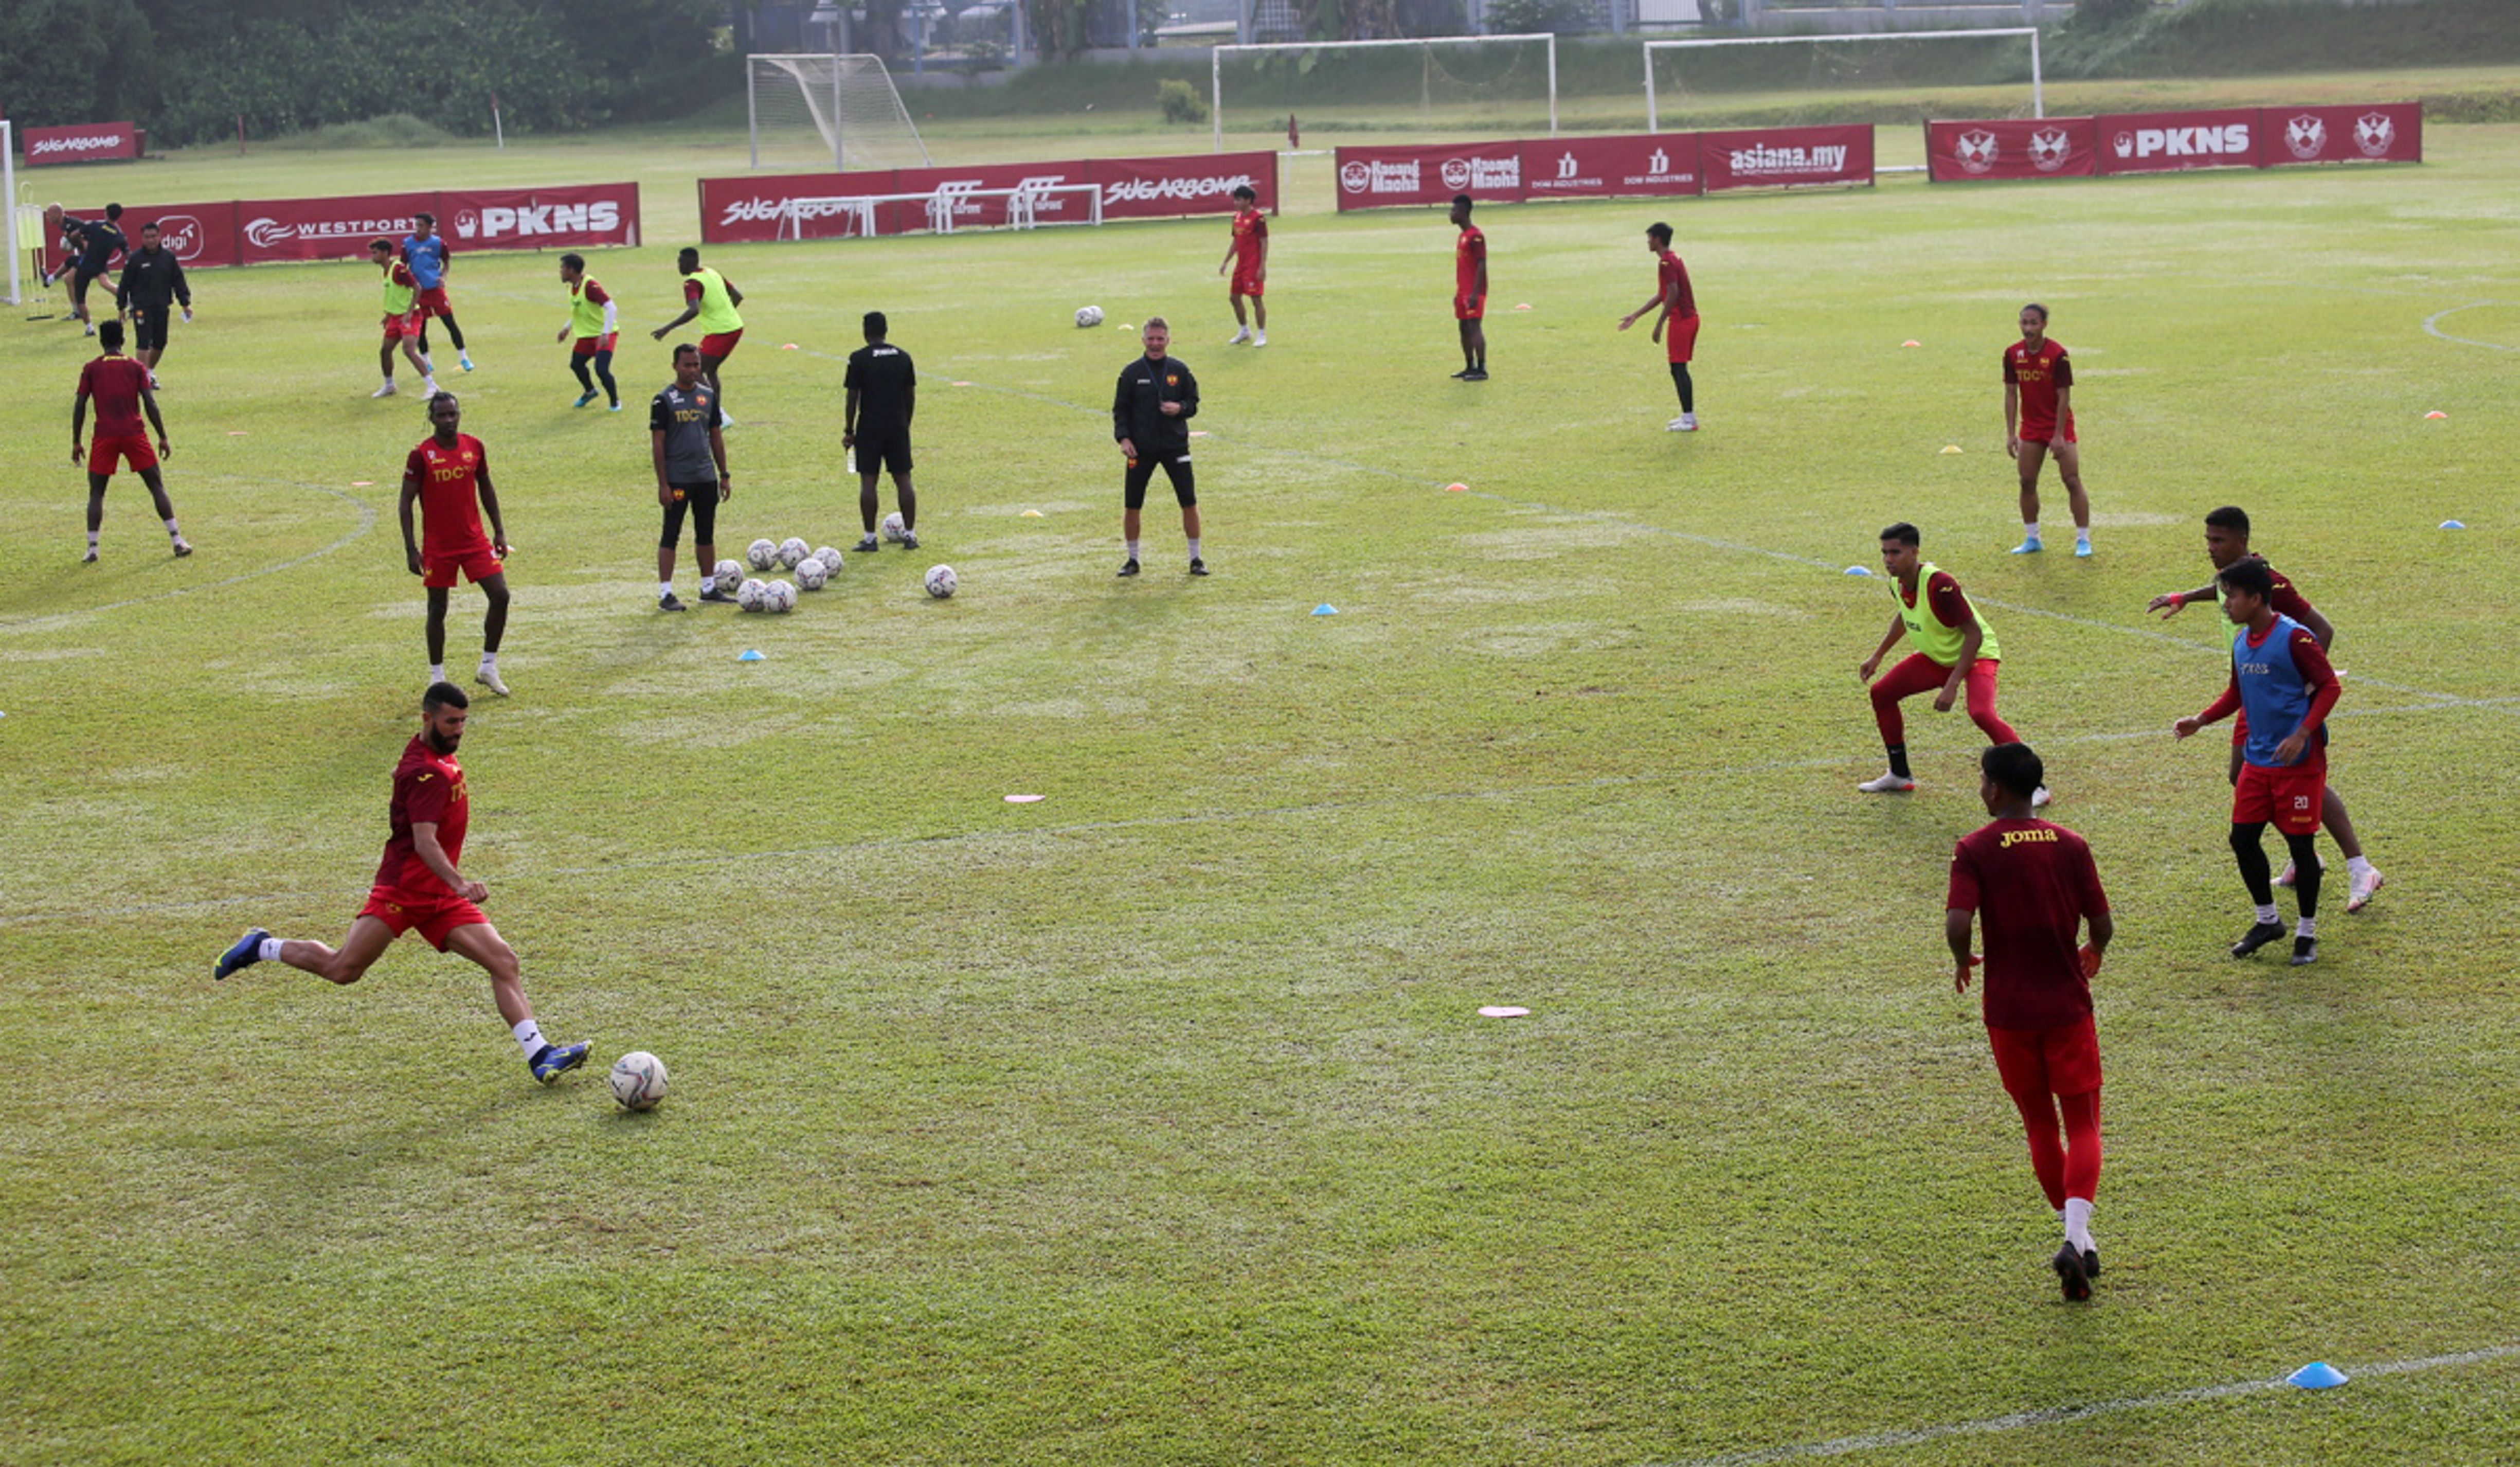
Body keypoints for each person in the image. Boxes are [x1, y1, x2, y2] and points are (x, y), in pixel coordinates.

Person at [211, 683, 592, 1087]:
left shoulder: (428, 756)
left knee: (503, 962)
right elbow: (424, 841)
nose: (459, 730)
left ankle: (540, 1054)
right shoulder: (426, 773)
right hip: (404, 892)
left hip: (439, 897)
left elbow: (411, 776)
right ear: (427, 719)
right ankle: (262, 946)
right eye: (451, 722)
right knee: (343, 969)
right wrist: (460, 883)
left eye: (463, 722)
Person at [1945, 741, 2114, 1302]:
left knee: (2040, 1126)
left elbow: (1958, 920)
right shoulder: (2071, 843)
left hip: (2009, 1011)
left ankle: (2079, 1243)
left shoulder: (1974, 847)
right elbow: (2101, 919)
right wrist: (2094, 949)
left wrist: (1961, 957)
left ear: (1995, 787)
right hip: (2066, 1003)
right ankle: (2077, 1238)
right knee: (2084, 1123)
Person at [2147, 506, 2383, 910]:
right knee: (2243, 776)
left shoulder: (2271, 581)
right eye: (2207, 540)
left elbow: (2323, 629)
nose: (2210, 547)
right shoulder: (2236, 581)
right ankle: (2303, 852)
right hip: (2250, 695)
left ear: (2242, 541)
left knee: (2300, 781)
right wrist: (2186, 597)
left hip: (2281, 704)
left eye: (2218, 540)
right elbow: (2224, 587)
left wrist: (2300, 688)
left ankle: (2360, 866)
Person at [2173, 558, 2341, 966]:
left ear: (2256, 598)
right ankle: (2268, 921)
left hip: (2299, 763)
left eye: (2231, 596)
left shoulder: (2295, 639)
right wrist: (2201, 719)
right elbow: (2237, 693)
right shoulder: (2241, 642)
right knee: (2243, 840)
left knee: (2301, 846)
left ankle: (2307, 932)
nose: (2225, 604)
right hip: (2258, 761)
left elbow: (2330, 686)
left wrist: (2302, 733)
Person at [1858, 523, 2048, 804]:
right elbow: (1904, 614)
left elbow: (1974, 634)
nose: (1888, 560)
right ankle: (1899, 775)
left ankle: (2036, 787)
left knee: (1982, 713)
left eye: (1895, 553)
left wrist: (1952, 684)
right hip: (1939, 657)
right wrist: (1878, 655)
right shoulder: (1897, 583)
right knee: (1882, 693)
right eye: (1884, 553)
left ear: (1914, 552)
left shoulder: (1941, 585)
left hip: (1977, 656)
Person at [400, 392, 512, 694]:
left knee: (500, 595)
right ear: (432, 418)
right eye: (442, 416)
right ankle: (437, 676)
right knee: (437, 609)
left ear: (459, 414)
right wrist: (412, 549)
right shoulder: (421, 455)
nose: (448, 421)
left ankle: (488, 666)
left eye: (453, 414)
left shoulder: (474, 446)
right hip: (439, 546)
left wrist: (499, 531)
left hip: (474, 540)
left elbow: (486, 487)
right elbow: (406, 502)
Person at [71, 319, 191, 562]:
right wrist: (163, 436)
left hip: (104, 436)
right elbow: (150, 403)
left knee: (97, 493)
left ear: (102, 341)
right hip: (134, 433)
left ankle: (92, 548)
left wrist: (76, 441)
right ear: (123, 341)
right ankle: (177, 540)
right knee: (156, 486)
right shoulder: (136, 367)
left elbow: (80, 405)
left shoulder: (92, 368)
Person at [1111, 317, 1204, 578]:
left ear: (1168, 340)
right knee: (1133, 504)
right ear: (1143, 340)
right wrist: (1124, 439)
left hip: (1175, 446)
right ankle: (1132, 560)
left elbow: (1193, 402)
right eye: (1151, 339)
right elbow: (1121, 410)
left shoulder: (1180, 370)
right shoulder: (1131, 374)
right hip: (1141, 449)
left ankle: (1196, 559)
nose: (1155, 344)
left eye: (1160, 339)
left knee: (1189, 501)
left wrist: (1180, 409)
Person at [2003, 303, 2092, 557]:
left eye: (2033, 323)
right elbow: (2011, 394)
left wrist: (2059, 435)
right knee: (2027, 481)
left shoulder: (2058, 355)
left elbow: (2064, 396)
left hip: (2059, 426)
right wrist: (2011, 433)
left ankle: (2083, 540)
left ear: (2044, 325)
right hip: (2031, 427)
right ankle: (2033, 538)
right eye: (2024, 323)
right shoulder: (2012, 354)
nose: (2028, 328)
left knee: (2071, 479)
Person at [651, 344, 734, 611]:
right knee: (671, 534)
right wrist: (663, 484)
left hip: (705, 477)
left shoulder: (708, 397)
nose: (693, 370)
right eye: (687, 365)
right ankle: (666, 594)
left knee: (706, 533)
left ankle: (708, 587)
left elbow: (716, 437)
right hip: (678, 479)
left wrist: (724, 474)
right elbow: (658, 444)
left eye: (696, 365)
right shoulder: (663, 400)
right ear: (675, 366)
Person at [843, 311, 917, 552]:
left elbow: (853, 396)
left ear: (866, 331)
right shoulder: (904, 357)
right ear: (886, 330)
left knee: (869, 480)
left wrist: (849, 429)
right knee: (903, 479)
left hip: (870, 427)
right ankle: (910, 535)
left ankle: (870, 538)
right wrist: (905, 423)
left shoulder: (859, 359)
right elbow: (910, 394)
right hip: (898, 424)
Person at [1617, 221, 1699, 432]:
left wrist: (1660, 323)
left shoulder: (1666, 264)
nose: (1648, 242)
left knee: (1678, 369)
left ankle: (1689, 419)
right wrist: (1636, 315)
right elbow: (1663, 294)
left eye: (1650, 238)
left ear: (1658, 239)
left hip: (1682, 320)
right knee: (1678, 368)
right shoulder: (1673, 259)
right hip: (1688, 319)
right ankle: (1687, 416)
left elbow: (1673, 294)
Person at [651, 247, 744, 423]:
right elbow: (738, 296)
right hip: (735, 327)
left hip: (720, 332)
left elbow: (694, 309)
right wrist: (726, 314)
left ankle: (719, 416)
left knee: (696, 370)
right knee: (711, 371)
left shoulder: (692, 283)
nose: (679, 266)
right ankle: (715, 416)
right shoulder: (712, 272)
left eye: (681, 262)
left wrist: (668, 328)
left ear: (690, 262)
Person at [112, 221, 192, 384]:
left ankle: (149, 371)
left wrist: (185, 303)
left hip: (162, 305)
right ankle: (142, 379)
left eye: (154, 237)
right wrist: (122, 306)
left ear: (160, 237)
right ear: (142, 238)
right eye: (147, 237)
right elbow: (125, 284)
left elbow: (178, 281)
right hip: (141, 307)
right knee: (143, 341)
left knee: (160, 342)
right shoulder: (135, 259)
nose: (151, 240)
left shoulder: (168, 257)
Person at [402, 211, 474, 373]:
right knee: (421, 329)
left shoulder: (439, 243)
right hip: (419, 293)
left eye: (421, 225)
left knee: (450, 324)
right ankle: (427, 361)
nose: (417, 229)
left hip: (436, 290)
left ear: (429, 227)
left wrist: (443, 276)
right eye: (416, 225)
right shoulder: (408, 244)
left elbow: (447, 261)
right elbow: (403, 266)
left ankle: (464, 358)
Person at [369, 238, 439, 400]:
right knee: (385, 351)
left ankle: (432, 386)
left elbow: (417, 288)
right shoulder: (386, 270)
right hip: (395, 317)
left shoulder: (399, 269)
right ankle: (389, 385)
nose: (372, 256)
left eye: (375, 253)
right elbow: (394, 294)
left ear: (385, 253)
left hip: (410, 316)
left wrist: (409, 312)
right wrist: (388, 315)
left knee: (409, 350)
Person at [48, 203, 127, 335]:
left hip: (87, 263)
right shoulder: (118, 234)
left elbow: (80, 236)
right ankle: (127, 300)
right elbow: (127, 252)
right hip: (99, 262)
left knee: (79, 292)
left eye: (50, 214)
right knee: (100, 283)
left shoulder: (91, 225)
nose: (48, 217)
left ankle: (88, 326)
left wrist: (76, 243)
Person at [555, 253, 621, 412]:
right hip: (586, 336)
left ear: (571, 270)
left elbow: (611, 307)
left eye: (563, 268)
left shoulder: (590, 286)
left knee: (602, 370)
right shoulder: (573, 288)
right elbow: (579, 310)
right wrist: (567, 328)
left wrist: (605, 333)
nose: (561, 271)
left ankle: (615, 402)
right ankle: (590, 391)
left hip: (604, 335)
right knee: (576, 365)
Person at [1219, 183, 1268, 347]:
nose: (1236, 203)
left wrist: (1262, 266)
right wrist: (1226, 261)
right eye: (1235, 200)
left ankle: (1262, 334)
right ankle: (1244, 331)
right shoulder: (1237, 218)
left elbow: (1264, 242)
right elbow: (1236, 242)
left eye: (1239, 200)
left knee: (1256, 299)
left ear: (1249, 200)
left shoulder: (1258, 218)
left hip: (1253, 266)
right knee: (1234, 298)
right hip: (1241, 266)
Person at [1449, 194, 1488, 381]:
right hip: (1463, 291)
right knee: (1464, 327)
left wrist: (1475, 292)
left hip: (1474, 292)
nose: (1451, 214)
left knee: (1474, 327)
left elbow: (1481, 264)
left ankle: (1482, 369)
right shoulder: (1463, 236)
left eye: (1454, 211)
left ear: (1464, 211)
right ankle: (1469, 366)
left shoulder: (1476, 236)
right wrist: (1459, 292)